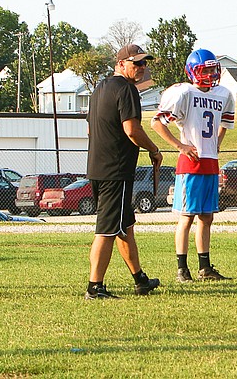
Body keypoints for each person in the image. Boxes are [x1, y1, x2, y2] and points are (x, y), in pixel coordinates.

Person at [85, 44, 162, 299]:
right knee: (107, 230)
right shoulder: (127, 89)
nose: (142, 68)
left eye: (144, 63)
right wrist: (153, 149)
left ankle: (140, 279)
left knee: (124, 226)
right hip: (115, 172)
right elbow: (132, 130)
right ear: (121, 64)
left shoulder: (100, 89)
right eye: (136, 63)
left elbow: (89, 130)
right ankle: (95, 287)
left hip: (98, 169)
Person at [151, 49, 235, 283]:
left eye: (212, 69)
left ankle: (205, 268)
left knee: (207, 217)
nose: (210, 74)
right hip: (190, 163)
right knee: (186, 217)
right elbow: (156, 123)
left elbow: (225, 124)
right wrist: (181, 146)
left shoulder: (223, 93)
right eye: (204, 70)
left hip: (210, 162)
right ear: (192, 72)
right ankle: (181, 269)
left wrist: (216, 144)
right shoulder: (184, 92)